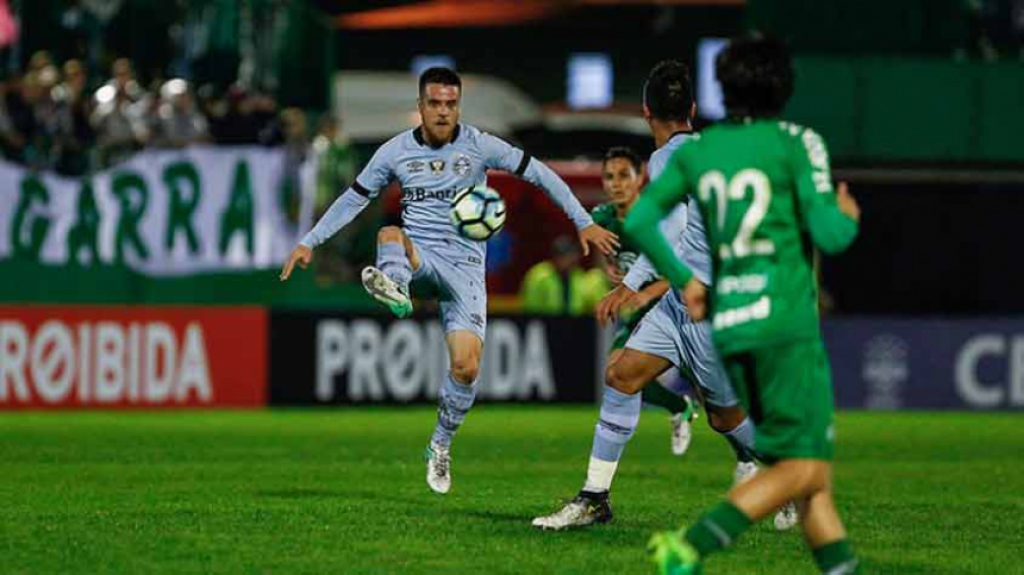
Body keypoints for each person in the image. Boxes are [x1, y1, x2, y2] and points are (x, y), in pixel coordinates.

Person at [280, 67, 618, 495]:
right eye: (435, 103)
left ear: (458, 105)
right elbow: (354, 197)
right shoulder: (394, 151)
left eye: (451, 104)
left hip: (465, 270)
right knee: (390, 235)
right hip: (419, 257)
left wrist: (583, 221)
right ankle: (397, 288)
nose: (443, 112)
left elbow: (540, 173)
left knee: (466, 366)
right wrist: (310, 241)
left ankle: (440, 444)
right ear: (420, 106)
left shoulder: (479, 146)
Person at [630, 35, 862, 574]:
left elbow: (642, 221)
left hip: (730, 321)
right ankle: (691, 547)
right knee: (800, 466)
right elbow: (830, 236)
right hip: (786, 325)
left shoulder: (703, 150)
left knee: (814, 484)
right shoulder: (799, 143)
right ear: (785, 87)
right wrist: (847, 213)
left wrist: (685, 278)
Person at [532, 60, 794, 532]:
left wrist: (630, 288)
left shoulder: (666, 157)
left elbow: (669, 234)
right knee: (621, 374)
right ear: (693, 109)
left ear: (646, 111)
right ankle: (594, 498)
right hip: (688, 300)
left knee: (724, 417)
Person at [591, 146, 698, 453]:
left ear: (640, 179)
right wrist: (613, 269)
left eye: (624, 175)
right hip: (642, 312)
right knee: (616, 371)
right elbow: (610, 256)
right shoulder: (602, 216)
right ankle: (679, 406)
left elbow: (685, 268)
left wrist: (646, 292)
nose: (616, 183)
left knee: (715, 394)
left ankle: (751, 458)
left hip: (678, 305)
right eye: (609, 177)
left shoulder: (660, 217)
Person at [519, 235, 607, 315]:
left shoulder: (578, 275)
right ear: (556, 256)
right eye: (566, 256)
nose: (572, 259)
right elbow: (531, 307)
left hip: (573, 325)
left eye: (573, 255)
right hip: (546, 324)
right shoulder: (539, 276)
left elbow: (591, 301)